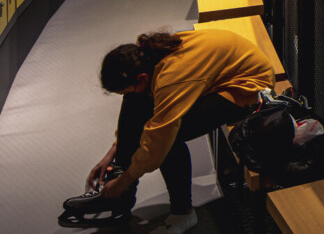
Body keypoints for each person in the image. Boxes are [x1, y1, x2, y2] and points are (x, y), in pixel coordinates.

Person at [60, 30, 274, 232]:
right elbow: (137, 111)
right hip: (224, 75)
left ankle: (183, 213)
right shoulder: (148, 57)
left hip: (249, 86)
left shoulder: (171, 77)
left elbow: (159, 138)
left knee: (170, 138)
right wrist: (113, 154)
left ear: (143, 77)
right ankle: (120, 182)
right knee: (135, 99)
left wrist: (125, 180)